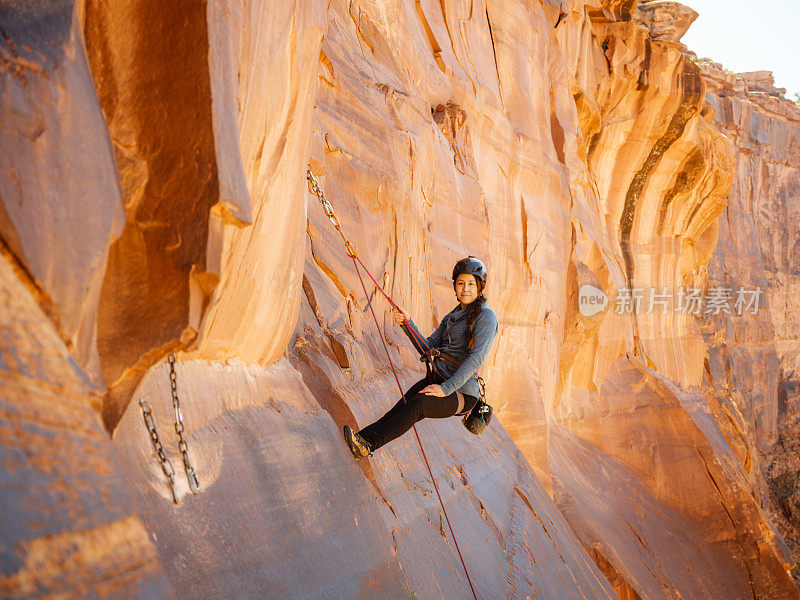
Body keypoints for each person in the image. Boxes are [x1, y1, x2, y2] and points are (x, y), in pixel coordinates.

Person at [343, 256, 499, 460]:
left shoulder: (486, 317)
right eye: (461, 283)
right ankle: (362, 440)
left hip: (461, 392)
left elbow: (475, 360)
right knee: (403, 406)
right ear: (455, 286)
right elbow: (427, 348)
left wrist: (445, 389)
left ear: (479, 287)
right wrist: (407, 324)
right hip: (439, 380)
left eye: (471, 284)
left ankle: (366, 446)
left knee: (418, 405)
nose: (465, 289)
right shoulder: (452, 317)